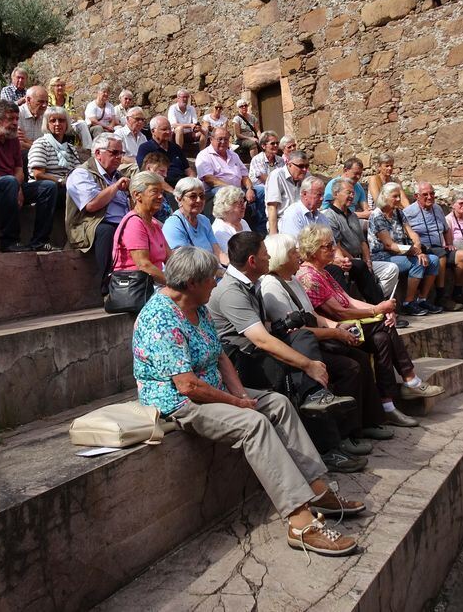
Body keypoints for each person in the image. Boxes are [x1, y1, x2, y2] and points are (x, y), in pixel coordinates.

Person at [132, 246, 364, 556]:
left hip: (212, 389)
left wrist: (240, 394)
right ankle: (300, 522)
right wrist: (235, 403)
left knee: (278, 404)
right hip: (180, 403)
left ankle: (317, 490)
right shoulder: (160, 318)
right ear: (190, 283)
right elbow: (187, 386)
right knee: (254, 424)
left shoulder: (196, 305)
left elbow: (220, 357)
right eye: (211, 279)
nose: (216, 284)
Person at [208, 232, 362, 472]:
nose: (269, 257)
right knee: (303, 372)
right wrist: (306, 364)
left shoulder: (249, 284)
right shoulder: (231, 292)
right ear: (252, 261)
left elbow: (264, 329)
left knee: (304, 340)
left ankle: (333, 431)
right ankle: (327, 448)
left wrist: (284, 326)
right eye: (264, 254)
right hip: (242, 363)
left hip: (254, 355)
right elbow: (262, 341)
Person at [296, 225, 442, 426]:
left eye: (332, 244)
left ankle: (388, 405)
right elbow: (339, 312)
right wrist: (378, 311)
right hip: (336, 329)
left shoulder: (324, 272)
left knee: (382, 336)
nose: (333, 249)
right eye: (327, 246)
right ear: (312, 250)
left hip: (350, 323)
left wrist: (380, 308)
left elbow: (349, 300)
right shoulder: (308, 277)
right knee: (385, 327)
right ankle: (409, 380)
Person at [261, 233, 394, 452]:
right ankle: (343, 435)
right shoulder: (271, 287)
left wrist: (335, 327)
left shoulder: (292, 279)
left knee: (360, 356)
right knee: (348, 367)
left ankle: (367, 422)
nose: (298, 256)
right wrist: (334, 334)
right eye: (293, 253)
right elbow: (298, 331)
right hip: (299, 348)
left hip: (316, 338)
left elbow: (313, 314)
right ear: (282, 258)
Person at [0, 100, 58, 252]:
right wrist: (13, 184)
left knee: (48, 187)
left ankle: (40, 240)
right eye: (10, 119)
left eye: (16, 119)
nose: (15, 123)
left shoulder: (12, 138)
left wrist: (17, 187)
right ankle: (9, 241)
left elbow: (19, 169)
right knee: (9, 182)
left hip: (10, 185)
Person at [66, 132, 131, 291]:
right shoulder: (82, 173)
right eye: (114, 153)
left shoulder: (118, 175)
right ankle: (106, 284)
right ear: (97, 153)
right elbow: (92, 205)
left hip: (120, 222)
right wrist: (115, 187)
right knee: (107, 231)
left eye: (121, 153)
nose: (119, 157)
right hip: (88, 224)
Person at [321, 178, 399, 307]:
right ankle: (378, 305)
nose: (352, 196)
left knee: (391, 269)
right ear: (336, 194)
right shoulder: (330, 216)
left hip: (362, 259)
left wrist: (367, 260)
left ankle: (377, 303)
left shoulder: (352, 215)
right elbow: (337, 245)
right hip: (346, 260)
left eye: (353, 193)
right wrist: (355, 261)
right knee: (359, 268)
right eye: (348, 193)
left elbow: (363, 242)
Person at [367, 182, 441, 317]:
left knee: (434, 260)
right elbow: (389, 245)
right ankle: (408, 303)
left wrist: (417, 245)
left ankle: (422, 299)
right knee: (417, 262)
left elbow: (412, 233)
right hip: (383, 256)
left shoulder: (399, 213)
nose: (398, 200)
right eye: (394, 197)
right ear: (385, 197)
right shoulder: (377, 215)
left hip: (404, 252)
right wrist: (415, 252)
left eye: (399, 197)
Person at [403, 181, 463, 311]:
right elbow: (406, 234)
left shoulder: (438, 208)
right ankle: (441, 296)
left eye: (432, 193)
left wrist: (449, 243)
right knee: (441, 255)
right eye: (425, 194)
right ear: (417, 196)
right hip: (423, 248)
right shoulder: (408, 212)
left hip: (439, 247)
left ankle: (458, 293)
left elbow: (446, 229)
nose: (429, 197)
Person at [110, 171, 171, 285]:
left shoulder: (154, 223)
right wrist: (175, 285)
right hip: (138, 287)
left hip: (154, 283)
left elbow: (170, 259)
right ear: (137, 195)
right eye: (154, 191)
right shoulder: (134, 223)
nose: (160, 196)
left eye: (161, 192)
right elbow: (144, 265)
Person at [195, 126, 262, 230]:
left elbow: (244, 176)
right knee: (222, 191)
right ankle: (226, 229)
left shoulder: (233, 155)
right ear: (211, 139)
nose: (223, 142)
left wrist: (249, 189)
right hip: (217, 191)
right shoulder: (204, 155)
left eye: (226, 139)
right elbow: (209, 179)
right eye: (220, 139)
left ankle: (260, 229)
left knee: (261, 190)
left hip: (239, 190)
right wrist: (232, 189)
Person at [162, 177, 225, 266]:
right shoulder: (173, 225)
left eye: (202, 196)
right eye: (193, 196)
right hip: (191, 275)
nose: (199, 200)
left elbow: (218, 252)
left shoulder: (204, 220)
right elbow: (184, 262)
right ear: (179, 198)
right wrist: (217, 272)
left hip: (212, 272)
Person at [28, 107, 83, 203]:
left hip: (67, 186)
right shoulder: (41, 144)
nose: (57, 124)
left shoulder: (70, 148)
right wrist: (61, 181)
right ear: (47, 124)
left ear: (67, 124)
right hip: (45, 188)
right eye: (53, 121)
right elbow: (38, 175)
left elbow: (77, 170)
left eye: (61, 120)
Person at [135, 115, 194, 188]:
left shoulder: (175, 148)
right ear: (153, 131)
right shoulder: (145, 149)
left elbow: (188, 170)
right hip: (163, 189)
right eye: (164, 129)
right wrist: (173, 192)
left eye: (169, 129)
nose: (168, 132)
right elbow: (148, 175)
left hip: (183, 185)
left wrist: (194, 184)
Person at [266, 150, 310, 234]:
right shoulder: (277, 176)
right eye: (301, 166)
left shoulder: (307, 176)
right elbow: (272, 207)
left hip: (303, 220)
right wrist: (274, 236)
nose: (304, 169)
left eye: (306, 166)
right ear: (289, 164)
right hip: (283, 222)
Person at [212, 186, 250, 255]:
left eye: (243, 202)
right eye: (239, 203)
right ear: (227, 207)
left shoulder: (243, 222)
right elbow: (233, 257)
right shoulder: (219, 230)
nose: (243, 206)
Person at [140, 151, 176, 223]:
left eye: (166, 172)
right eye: (162, 171)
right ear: (149, 168)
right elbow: (144, 216)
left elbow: (171, 214)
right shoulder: (141, 190)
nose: (165, 175)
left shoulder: (161, 191)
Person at [17, 86, 50, 152]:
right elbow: (19, 146)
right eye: (40, 102)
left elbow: (49, 145)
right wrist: (41, 147)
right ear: (28, 100)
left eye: (46, 102)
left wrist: (27, 142)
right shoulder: (17, 114)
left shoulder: (48, 114)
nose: (44, 105)